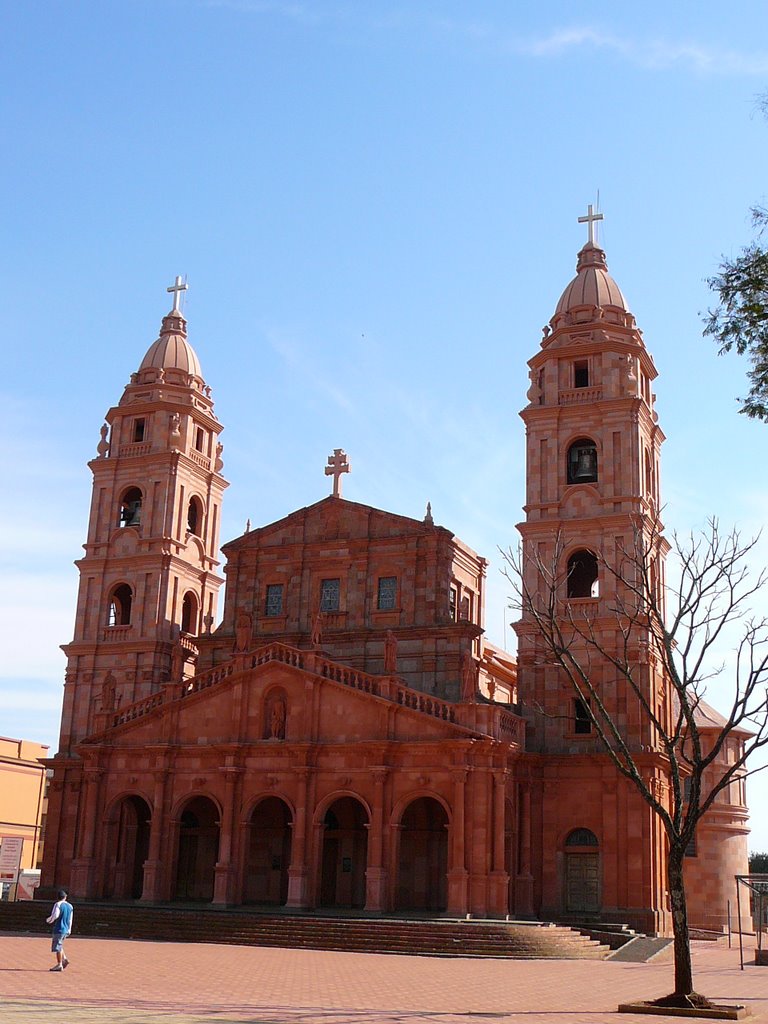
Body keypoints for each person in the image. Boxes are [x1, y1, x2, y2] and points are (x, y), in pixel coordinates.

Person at [46, 889, 73, 971]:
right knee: (60, 944)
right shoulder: (70, 906)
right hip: (66, 929)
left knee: (57, 947)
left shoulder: (58, 904)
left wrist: (49, 920)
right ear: (65, 897)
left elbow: (55, 915)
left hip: (59, 928)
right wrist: (69, 929)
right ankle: (64, 959)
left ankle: (59, 964)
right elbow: (70, 919)